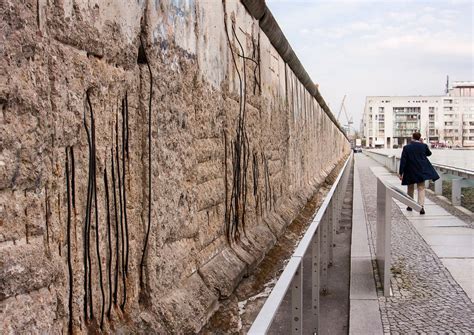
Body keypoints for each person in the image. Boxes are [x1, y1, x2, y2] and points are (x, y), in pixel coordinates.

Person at [398, 132, 439, 214]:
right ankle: (421, 207)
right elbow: (429, 154)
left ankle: (410, 205)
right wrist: (423, 144)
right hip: (421, 170)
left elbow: (403, 161)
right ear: (419, 138)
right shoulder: (423, 146)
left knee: (410, 188)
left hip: (410, 170)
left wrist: (401, 173)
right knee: (421, 188)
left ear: (412, 137)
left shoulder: (406, 147)